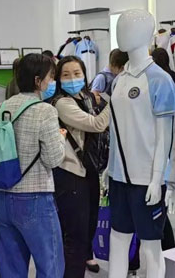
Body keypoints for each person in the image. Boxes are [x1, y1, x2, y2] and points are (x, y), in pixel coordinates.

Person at [0, 53, 67, 278]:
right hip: (35, 198)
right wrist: (61, 138)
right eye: (50, 77)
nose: (52, 82)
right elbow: (53, 159)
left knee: (10, 268)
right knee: (50, 265)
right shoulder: (45, 111)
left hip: (1, 195)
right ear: (37, 80)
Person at [52, 56, 111, 277]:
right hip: (71, 173)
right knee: (75, 232)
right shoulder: (62, 103)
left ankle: (87, 255)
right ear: (58, 79)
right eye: (66, 75)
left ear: (85, 75)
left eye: (77, 73)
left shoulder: (86, 97)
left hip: (90, 170)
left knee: (90, 221)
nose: (72, 79)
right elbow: (97, 124)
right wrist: (115, 101)